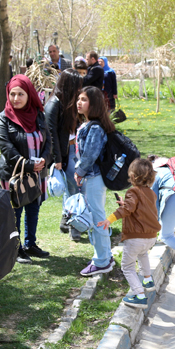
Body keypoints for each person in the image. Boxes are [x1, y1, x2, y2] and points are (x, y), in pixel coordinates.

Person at [0, 75, 52, 264]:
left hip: (37, 173)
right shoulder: (3, 119)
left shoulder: (38, 115)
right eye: (12, 94)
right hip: (14, 174)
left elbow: (48, 141)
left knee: (33, 208)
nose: (16, 98)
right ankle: (16, 249)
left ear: (29, 95)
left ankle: (30, 244)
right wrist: (27, 164)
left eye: (21, 94)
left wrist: (45, 159)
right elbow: (6, 147)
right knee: (15, 212)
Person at [98, 158, 160, 309]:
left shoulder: (132, 191)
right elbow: (138, 209)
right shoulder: (151, 193)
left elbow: (128, 210)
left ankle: (139, 295)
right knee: (143, 254)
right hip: (150, 236)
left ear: (133, 176)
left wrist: (110, 219)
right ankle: (147, 279)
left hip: (135, 238)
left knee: (127, 266)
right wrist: (126, 204)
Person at [75, 86, 115, 276]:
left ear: (94, 104)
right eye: (79, 99)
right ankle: (105, 255)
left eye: (84, 99)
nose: (79, 102)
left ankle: (101, 261)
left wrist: (80, 171)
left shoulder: (96, 128)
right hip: (91, 178)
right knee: (97, 217)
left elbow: (90, 154)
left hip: (93, 178)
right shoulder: (89, 124)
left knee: (98, 219)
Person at [45, 69, 83, 241]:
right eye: (77, 86)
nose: (80, 90)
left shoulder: (68, 102)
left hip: (71, 151)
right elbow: (51, 134)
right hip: (63, 155)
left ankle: (66, 220)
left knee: (73, 187)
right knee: (73, 188)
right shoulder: (54, 104)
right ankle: (74, 225)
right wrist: (57, 160)